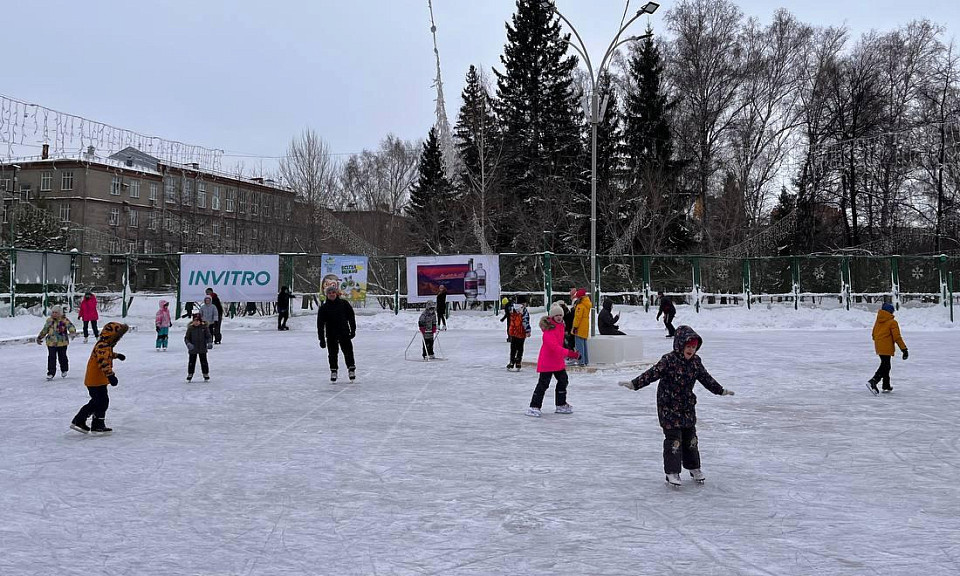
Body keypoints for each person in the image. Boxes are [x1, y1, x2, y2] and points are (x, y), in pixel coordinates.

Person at [618, 325, 735, 486]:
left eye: (694, 347)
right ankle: (672, 472)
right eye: (688, 346)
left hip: (687, 406)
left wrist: (720, 390)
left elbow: (706, 379)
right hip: (668, 406)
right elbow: (652, 374)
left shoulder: (695, 362)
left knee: (690, 437)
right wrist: (634, 384)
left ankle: (694, 467)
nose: (691, 350)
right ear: (680, 345)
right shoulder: (669, 360)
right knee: (674, 439)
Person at [70, 321, 127, 434]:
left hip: (98, 380)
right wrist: (111, 376)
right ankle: (79, 420)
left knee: (102, 401)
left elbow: (107, 354)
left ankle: (97, 424)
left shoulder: (105, 345)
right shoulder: (102, 345)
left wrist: (116, 355)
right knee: (98, 402)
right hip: (95, 380)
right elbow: (103, 361)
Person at [525, 303, 580, 417]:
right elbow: (554, 347)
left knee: (563, 380)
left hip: (557, 362)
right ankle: (534, 406)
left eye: (560, 315)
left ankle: (561, 404)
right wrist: (570, 354)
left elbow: (561, 343)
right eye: (556, 315)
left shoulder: (561, 326)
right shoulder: (549, 331)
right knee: (543, 384)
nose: (559, 317)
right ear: (552, 317)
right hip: (548, 362)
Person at [317, 284, 357, 382]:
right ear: (327, 295)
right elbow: (320, 324)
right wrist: (321, 339)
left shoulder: (344, 304)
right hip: (331, 334)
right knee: (332, 353)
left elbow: (351, 317)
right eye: (329, 293)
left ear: (337, 293)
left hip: (344, 332)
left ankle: (351, 369)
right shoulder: (324, 308)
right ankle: (333, 370)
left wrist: (353, 330)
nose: (331, 294)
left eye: (333, 292)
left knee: (348, 352)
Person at [868, 302, 908, 394]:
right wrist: (904, 349)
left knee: (886, 365)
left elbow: (873, 334)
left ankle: (886, 385)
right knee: (885, 366)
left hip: (879, 345)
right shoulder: (892, 322)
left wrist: (879, 341)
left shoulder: (878, 321)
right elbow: (897, 337)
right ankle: (873, 381)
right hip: (886, 346)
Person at [36, 305, 77, 379]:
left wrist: (72, 332)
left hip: (62, 342)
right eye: (53, 312)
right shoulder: (49, 321)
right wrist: (40, 337)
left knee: (62, 357)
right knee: (51, 357)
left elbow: (71, 326)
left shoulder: (64, 320)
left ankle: (64, 370)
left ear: (60, 313)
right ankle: (51, 373)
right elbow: (45, 330)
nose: (54, 314)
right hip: (51, 343)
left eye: (56, 312)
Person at [184, 312, 213, 382]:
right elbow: (186, 338)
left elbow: (208, 336)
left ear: (200, 321)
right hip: (193, 348)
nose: (196, 322)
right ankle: (190, 373)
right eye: (194, 321)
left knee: (204, 361)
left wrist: (209, 342)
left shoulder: (204, 328)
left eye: (197, 321)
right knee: (191, 362)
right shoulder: (190, 328)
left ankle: (205, 373)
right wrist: (188, 344)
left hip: (202, 347)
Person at [506, 295, 531, 371]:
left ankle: (511, 362)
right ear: (523, 303)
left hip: (513, 331)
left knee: (513, 347)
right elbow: (525, 321)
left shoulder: (512, 308)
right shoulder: (523, 310)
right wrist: (528, 330)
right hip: (521, 331)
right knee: (520, 348)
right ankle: (518, 362)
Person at [571, 288, 592, 366]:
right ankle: (586, 360)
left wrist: (575, 327)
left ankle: (581, 361)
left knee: (579, 345)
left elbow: (577, 318)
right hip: (585, 325)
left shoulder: (580, 306)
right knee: (584, 344)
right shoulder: (587, 303)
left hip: (579, 327)